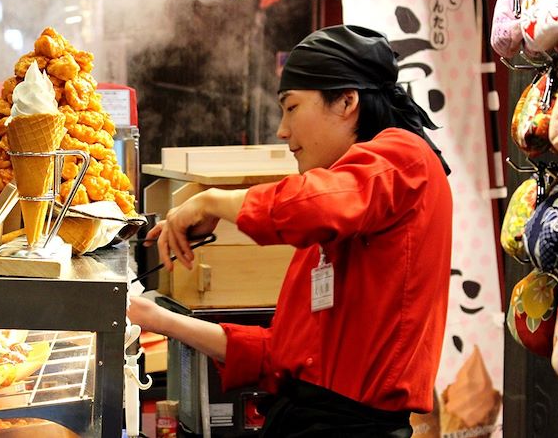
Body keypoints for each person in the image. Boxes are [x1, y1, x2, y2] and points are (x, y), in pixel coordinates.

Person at [127, 25, 453, 437]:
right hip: (302, 420)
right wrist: (158, 319)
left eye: (292, 107)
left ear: (347, 101)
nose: (283, 130)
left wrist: (212, 200)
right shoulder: (346, 209)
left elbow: (310, 205)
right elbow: (281, 356)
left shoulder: (404, 157)